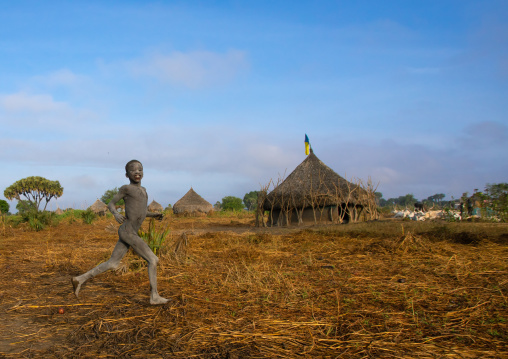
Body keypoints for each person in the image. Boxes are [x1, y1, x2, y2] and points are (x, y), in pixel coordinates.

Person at [72, 160, 169, 305]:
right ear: (127, 174)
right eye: (133, 170)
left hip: (129, 232)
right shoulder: (126, 189)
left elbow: (140, 212)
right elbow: (111, 203)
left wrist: (153, 215)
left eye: (140, 170)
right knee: (153, 259)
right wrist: (115, 213)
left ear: (143, 172)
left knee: (112, 263)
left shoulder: (144, 191)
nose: (137, 172)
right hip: (128, 231)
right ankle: (154, 296)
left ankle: (79, 279)